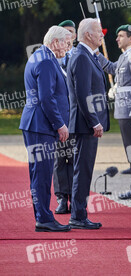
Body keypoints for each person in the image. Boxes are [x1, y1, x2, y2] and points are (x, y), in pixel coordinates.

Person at [20, 25, 72, 232]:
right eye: (67, 43)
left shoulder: (40, 56)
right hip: (41, 125)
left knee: (39, 173)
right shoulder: (47, 61)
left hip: (36, 124)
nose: (68, 48)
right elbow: (46, 98)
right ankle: (43, 218)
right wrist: (60, 124)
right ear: (56, 42)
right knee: (42, 174)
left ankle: (43, 215)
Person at [98, 24, 131, 199]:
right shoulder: (124, 57)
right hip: (123, 109)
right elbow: (112, 69)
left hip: (130, 110)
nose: (117, 38)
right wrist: (97, 54)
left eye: (121, 36)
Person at [67, 18, 110, 229]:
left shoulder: (87, 55)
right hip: (85, 124)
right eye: (98, 32)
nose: (102, 35)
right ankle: (78, 215)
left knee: (84, 169)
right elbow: (83, 94)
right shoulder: (82, 57)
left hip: (86, 124)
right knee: (82, 170)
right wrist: (94, 122)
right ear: (88, 35)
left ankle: (79, 213)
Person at [53, 19, 77, 214]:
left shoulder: (81, 55)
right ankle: (62, 198)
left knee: (76, 159)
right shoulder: (53, 58)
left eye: (71, 33)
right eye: (64, 34)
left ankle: (77, 199)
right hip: (61, 118)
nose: (68, 38)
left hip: (77, 117)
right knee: (60, 159)